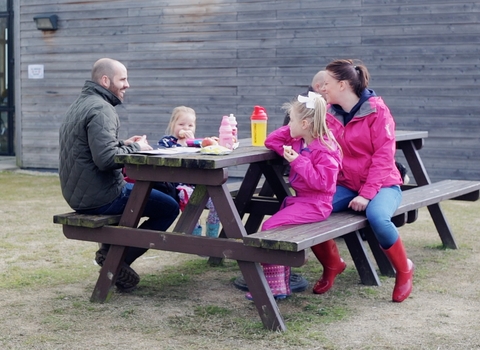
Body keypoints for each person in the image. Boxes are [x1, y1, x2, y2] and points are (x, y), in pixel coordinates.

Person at [58, 58, 180, 292]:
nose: (127, 85)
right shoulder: (101, 108)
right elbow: (105, 160)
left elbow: (90, 147)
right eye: (122, 79)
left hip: (81, 194)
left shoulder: (81, 104)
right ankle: (118, 259)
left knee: (158, 193)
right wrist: (138, 148)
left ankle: (113, 254)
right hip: (102, 196)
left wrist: (123, 143)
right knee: (170, 207)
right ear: (105, 81)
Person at [319, 58, 414, 302]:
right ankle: (333, 265)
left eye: (326, 83)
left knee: (377, 218)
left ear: (342, 85)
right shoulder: (329, 113)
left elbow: (384, 158)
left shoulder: (377, 110)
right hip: (347, 184)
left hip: (383, 184)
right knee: (311, 210)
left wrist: (367, 194)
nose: (322, 87)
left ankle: (404, 270)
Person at [245, 92, 342, 300]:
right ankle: (279, 284)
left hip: (317, 204)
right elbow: (271, 141)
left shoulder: (325, 149)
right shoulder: (299, 143)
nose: (289, 124)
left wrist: (298, 161)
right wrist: (292, 131)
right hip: (302, 201)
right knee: (275, 227)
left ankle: (273, 287)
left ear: (305, 123)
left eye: (292, 120)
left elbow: (324, 184)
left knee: (270, 227)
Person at [158, 106, 220, 237]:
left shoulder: (198, 143)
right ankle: (195, 234)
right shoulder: (166, 142)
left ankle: (212, 234)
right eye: (181, 124)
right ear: (172, 124)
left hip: (199, 184)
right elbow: (165, 156)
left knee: (218, 201)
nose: (186, 128)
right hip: (179, 186)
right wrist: (182, 145)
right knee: (190, 199)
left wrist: (209, 144)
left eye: (190, 125)